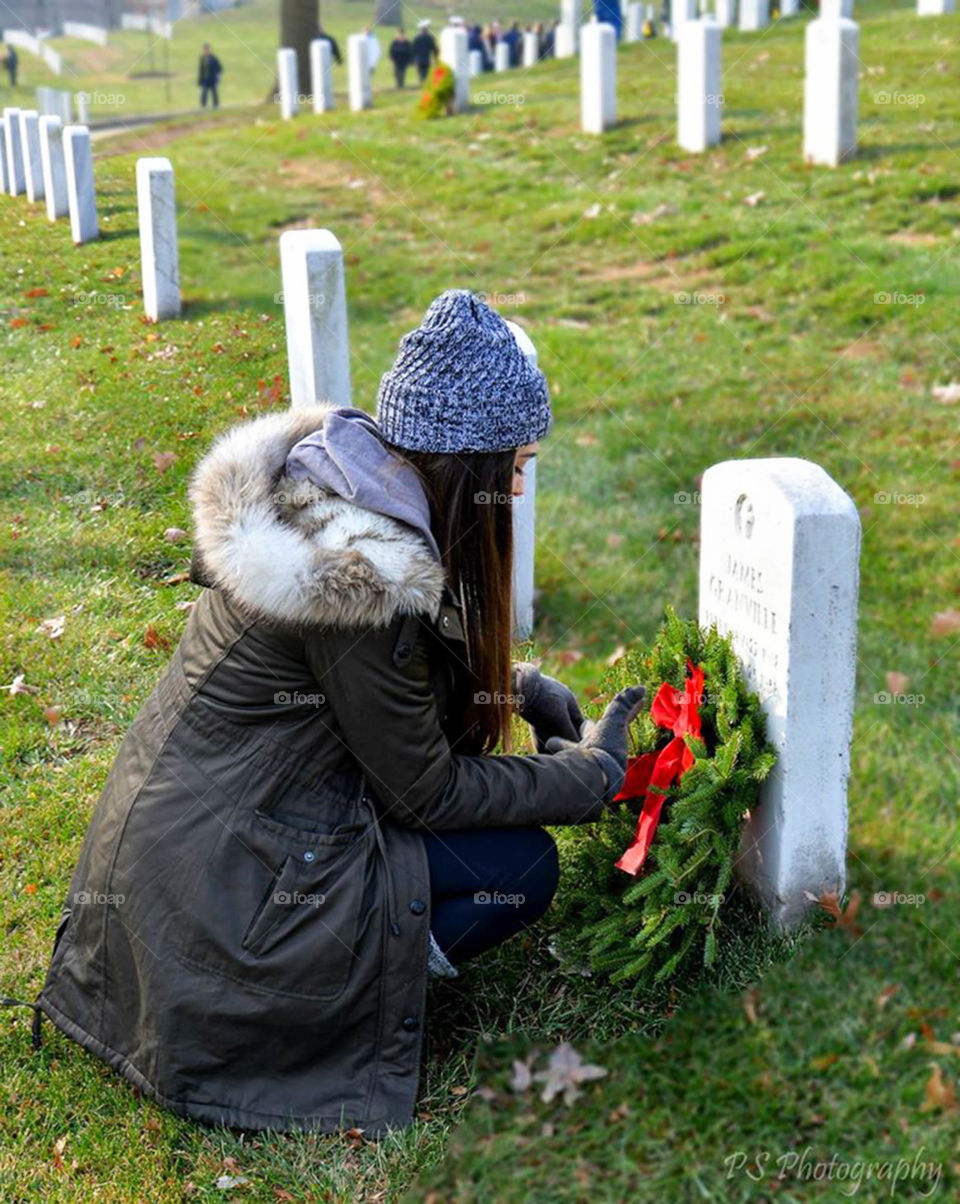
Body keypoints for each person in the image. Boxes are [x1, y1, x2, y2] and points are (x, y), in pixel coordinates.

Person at [28, 291, 647, 1136]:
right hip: (222, 902)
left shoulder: (349, 503)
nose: (519, 483)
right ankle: (330, 1003)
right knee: (521, 871)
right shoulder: (362, 585)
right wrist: (588, 778)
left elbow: (388, 690)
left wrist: (517, 686)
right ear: (465, 465)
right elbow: (425, 794)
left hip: (194, 855)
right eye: (515, 462)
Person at [411, 18, 438, 83]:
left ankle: (421, 81)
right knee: (425, 72)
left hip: (419, 59)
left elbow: (413, 49)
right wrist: (435, 58)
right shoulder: (430, 37)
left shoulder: (417, 38)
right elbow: (434, 49)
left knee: (420, 72)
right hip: (426, 58)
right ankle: (424, 82)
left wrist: (413, 59)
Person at [197, 42, 222, 108]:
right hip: (205, 79)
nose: (205, 51)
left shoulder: (214, 58)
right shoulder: (202, 59)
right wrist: (199, 79)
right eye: (204, 50)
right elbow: (201, 70)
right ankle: (203, 105)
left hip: (212, 79)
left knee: (214, 92)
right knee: (204, 92)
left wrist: (218, 76)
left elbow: (219, 68)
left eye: (206, 50)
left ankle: (216, 105)